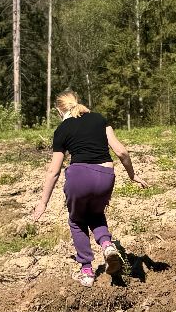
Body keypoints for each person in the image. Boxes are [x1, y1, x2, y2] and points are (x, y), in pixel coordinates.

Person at [29, 92, 145, 286]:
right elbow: (121, 151)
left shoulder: (62, 129)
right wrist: (132, 175)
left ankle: (87, 271)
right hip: (106, 176)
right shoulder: (99, 119)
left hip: (79, 176)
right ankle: (107, 245)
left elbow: (53, 171)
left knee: (77, 221)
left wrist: (43, 203)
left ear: (59, 110)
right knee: (96, 214)